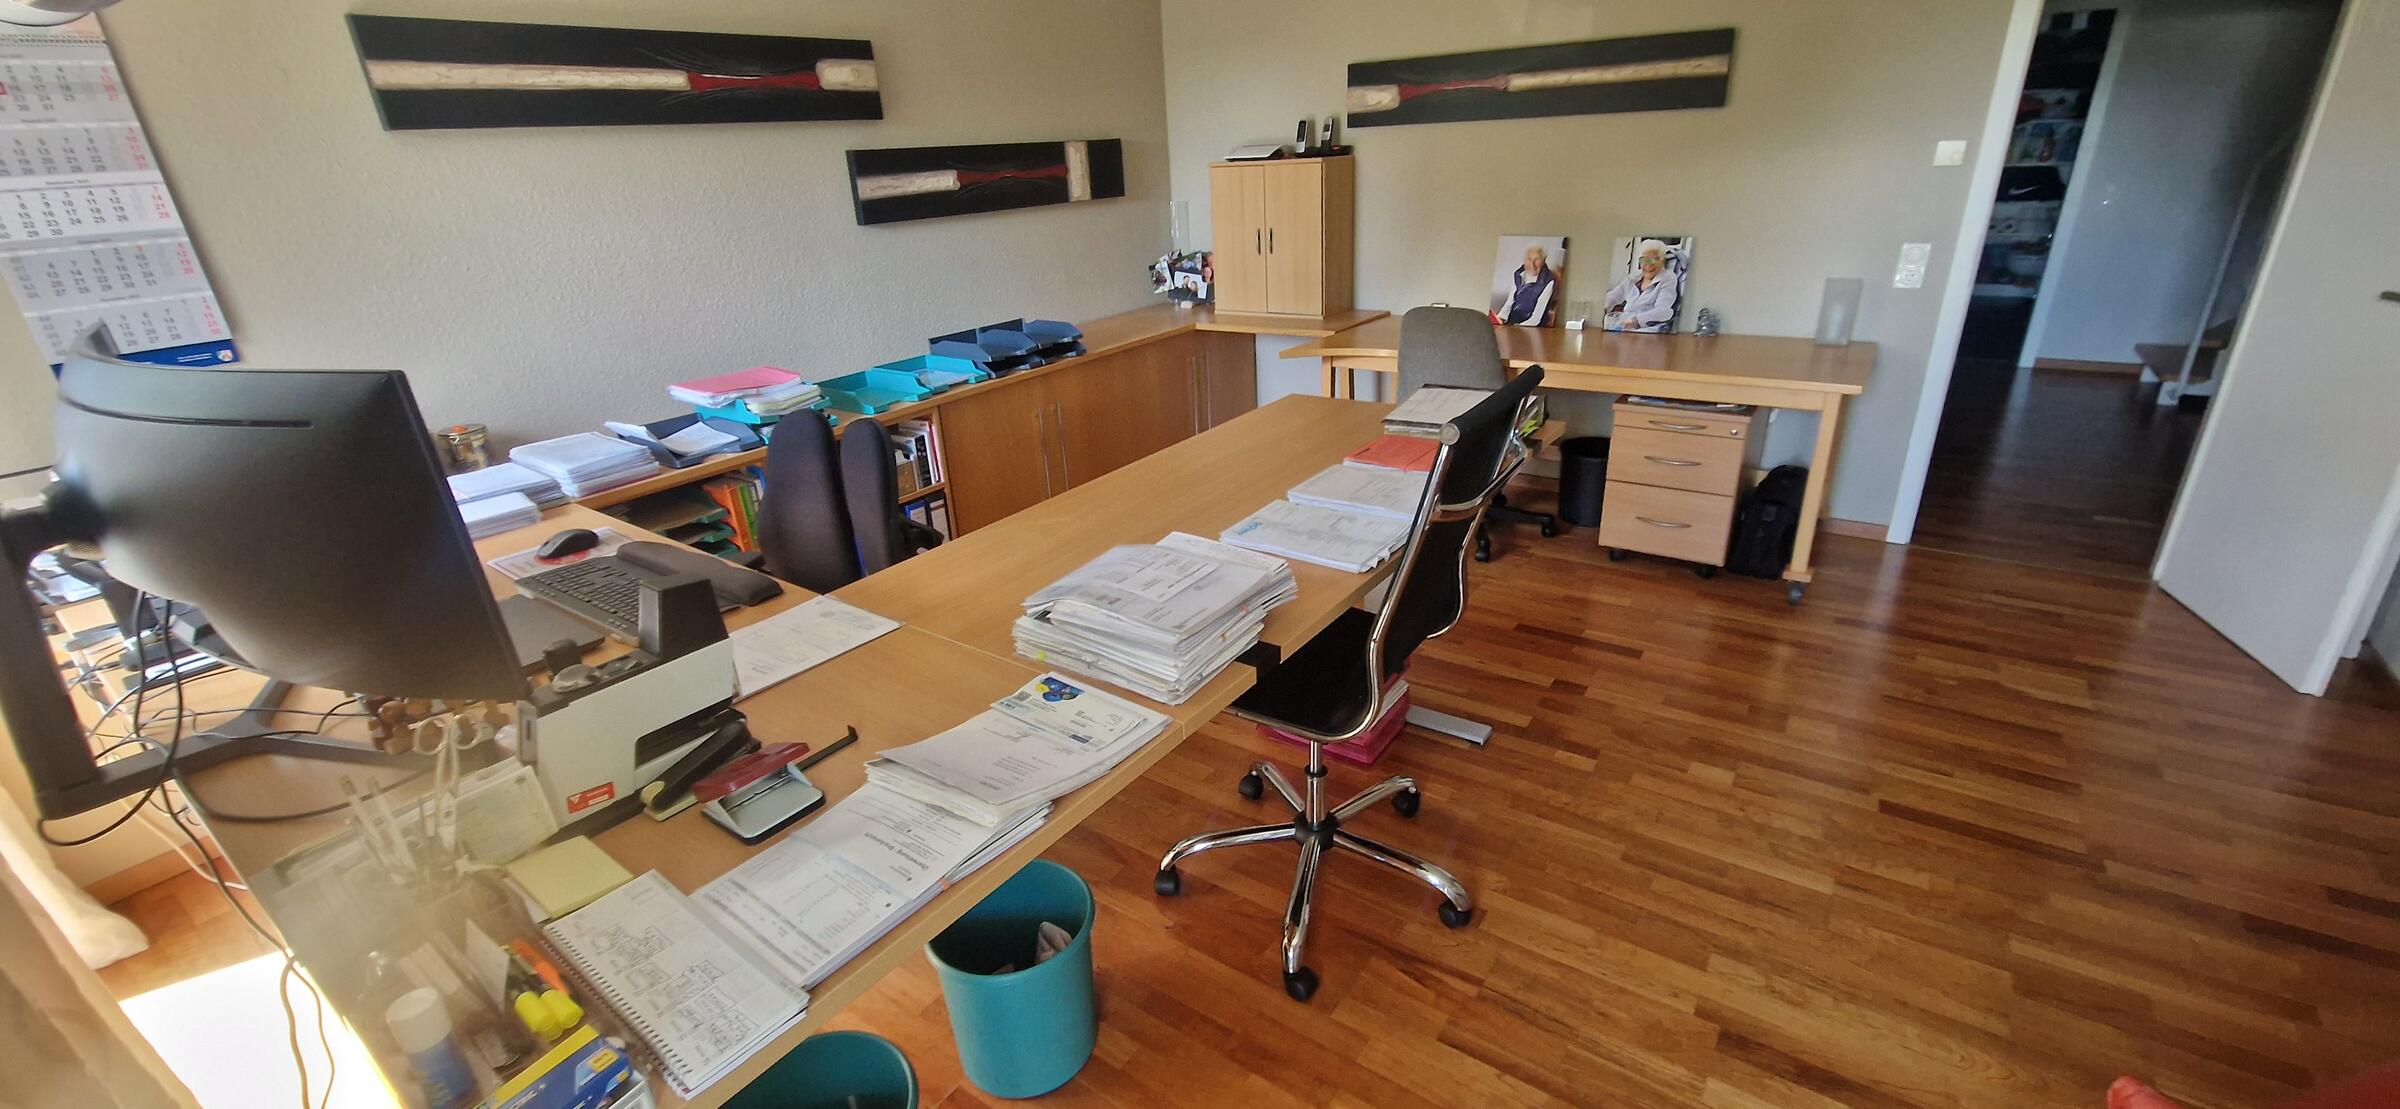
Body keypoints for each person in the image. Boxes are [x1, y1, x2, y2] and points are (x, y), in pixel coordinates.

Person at [1602, 238, 1682, 333]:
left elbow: (1663, 311)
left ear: (1662, 260)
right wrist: (1601, 308)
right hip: (1624, 325)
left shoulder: (1668, 278)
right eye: (1644, 260)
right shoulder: (1634, 277)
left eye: (1654, 259)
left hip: (1647, 329)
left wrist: (1636, 321)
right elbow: (1614, 296)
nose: (1648, 265)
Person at [1492, 243, 1560, 327]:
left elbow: (1536, 319)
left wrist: (1516, 327)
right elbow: (1510, 302)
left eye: (1537, 259)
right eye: (1529, 259)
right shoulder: (1518, 274)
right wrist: (1499, 318)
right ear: (1524, 260)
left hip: (1532, 327)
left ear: (1543, 261)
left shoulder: (1549, 281)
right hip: (1513, 323)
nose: (1532, 264)